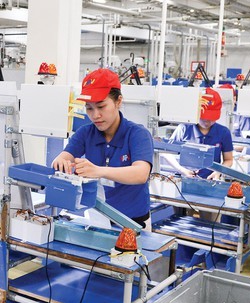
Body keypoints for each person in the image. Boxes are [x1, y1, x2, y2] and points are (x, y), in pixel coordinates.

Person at [52, 68, 154, 231]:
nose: (95, 115)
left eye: (101, 106)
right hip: (98, 220)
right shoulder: (85, 133)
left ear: (118, 101)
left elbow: (141, 174)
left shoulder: (137, 134)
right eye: (89, 108)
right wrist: (61, 164)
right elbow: (61, 159)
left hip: (133, 224)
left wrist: (99, 171)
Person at [163, 87, 234, 181]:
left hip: (210, 180)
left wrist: (218, 171)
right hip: (183, 179)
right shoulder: (184, 129)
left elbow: (228, 159)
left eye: (211, 118)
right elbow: (167, 153)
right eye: (203, 118)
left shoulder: (223, 132)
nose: (207, 122)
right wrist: (181, 170)